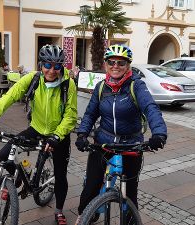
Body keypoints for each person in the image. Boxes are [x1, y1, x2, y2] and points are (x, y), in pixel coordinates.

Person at [0, 44, 77, 225]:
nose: (52, 70)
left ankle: (58, 210)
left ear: (61, 67)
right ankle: (16, 182)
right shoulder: (32, 79)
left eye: (57, 66)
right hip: (36, 129)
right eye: (47, 65)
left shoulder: (68, 84)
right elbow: (9, 97)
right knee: (4, 154)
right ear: (40, 64)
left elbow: (71, 115)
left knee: (60, 174)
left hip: (58, 135)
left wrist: (57, 136)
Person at [74, 44, 167, 223]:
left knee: (130, 191)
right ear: (106, 65)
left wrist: (159, 134)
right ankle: (84, 216)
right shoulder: (101, 87)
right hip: (104, 142)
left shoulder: (136, 86)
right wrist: (82, 135)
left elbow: (150, 108)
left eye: (121, 63)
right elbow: (90, 113)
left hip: (131, 144)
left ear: (128, 66)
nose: (115, 66)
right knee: (91, 185)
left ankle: (130, 219)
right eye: (111, 62)